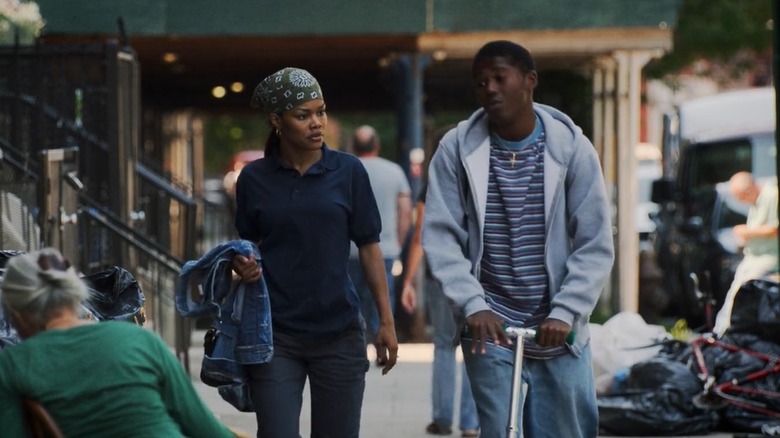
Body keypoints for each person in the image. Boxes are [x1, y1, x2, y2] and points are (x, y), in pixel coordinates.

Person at [421, 40, 614, 438]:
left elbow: (594, 242)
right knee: (501, 430)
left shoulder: (572, 149)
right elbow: (441, 237)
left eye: (499, 78)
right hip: (489, 328)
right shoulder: (456, 150)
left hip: (560, 330)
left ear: (529, 81)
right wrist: (473, 305)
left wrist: (567, 310)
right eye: (480, 82)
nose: (489, 88)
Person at [231, 67, 399, 438]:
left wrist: (385, 322)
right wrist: (242, 266)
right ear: (277, 121)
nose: (316, 123)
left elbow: (370, 248)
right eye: (302, 115)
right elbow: (247, 246)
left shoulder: (349, 171)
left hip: (339, 333)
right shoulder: (254, 179)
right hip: (275, 334)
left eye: (320, 111)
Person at [0, 248, 236, 438]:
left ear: (18, 312)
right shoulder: (139, 340)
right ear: (74, 297)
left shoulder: (12, 365)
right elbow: (205, 428)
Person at [401, 182, 480, 437]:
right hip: (476, 277)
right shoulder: (483, 174)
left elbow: (421, 235)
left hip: (442, 277)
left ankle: (443, 419)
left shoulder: (436, 183)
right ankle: (471, 424)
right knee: (476, 346)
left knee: (445, 345)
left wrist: (409, 280)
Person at [347, 125, 412, 360]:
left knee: (353, 300)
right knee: (381, 300)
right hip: (385, 250)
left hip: (350, 251)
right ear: (377, 145)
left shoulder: (346, 169)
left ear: (354, 146)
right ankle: (382, 347)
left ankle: (357, 349)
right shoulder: (394, 172)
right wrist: (398, 241)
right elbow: (405, 211)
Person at [713, 171, 779, 336]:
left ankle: (733, 331)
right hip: (754, 256)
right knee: (734, 288)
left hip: (768, 258)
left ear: (749, 188)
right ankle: (721, 331)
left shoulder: (772, 196)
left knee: (742, 290)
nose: (741, 201)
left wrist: (747, 231)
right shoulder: (757, 202)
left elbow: (774, 229)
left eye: (741, 196)